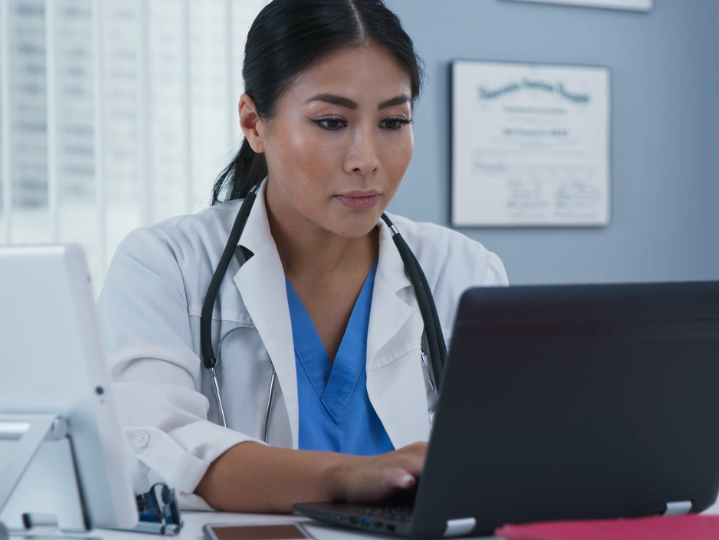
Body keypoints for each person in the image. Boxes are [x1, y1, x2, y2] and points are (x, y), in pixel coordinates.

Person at [98, 0, 507, 514]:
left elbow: (502, 462)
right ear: (254, 123)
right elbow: (146, 450)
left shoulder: (463, 271)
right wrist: (348, 476)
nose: (366, 161)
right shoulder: (166, 266)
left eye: (393, 121)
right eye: (332, 122)